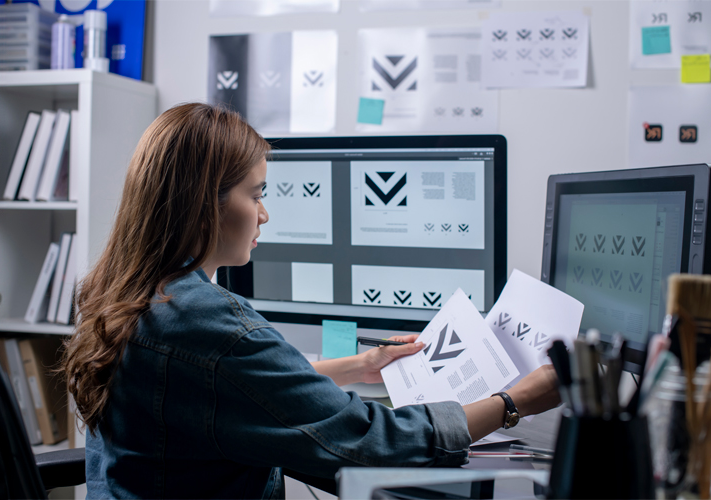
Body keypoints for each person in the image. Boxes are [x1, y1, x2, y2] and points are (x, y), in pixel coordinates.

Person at [61, 103, 561, 499]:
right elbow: (372, 443)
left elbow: (222, 387)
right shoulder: (211, 324)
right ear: (201, 200)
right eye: (255, 194)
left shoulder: (126, 291)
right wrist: (515, 402)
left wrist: (362, 364)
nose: (265, 214)